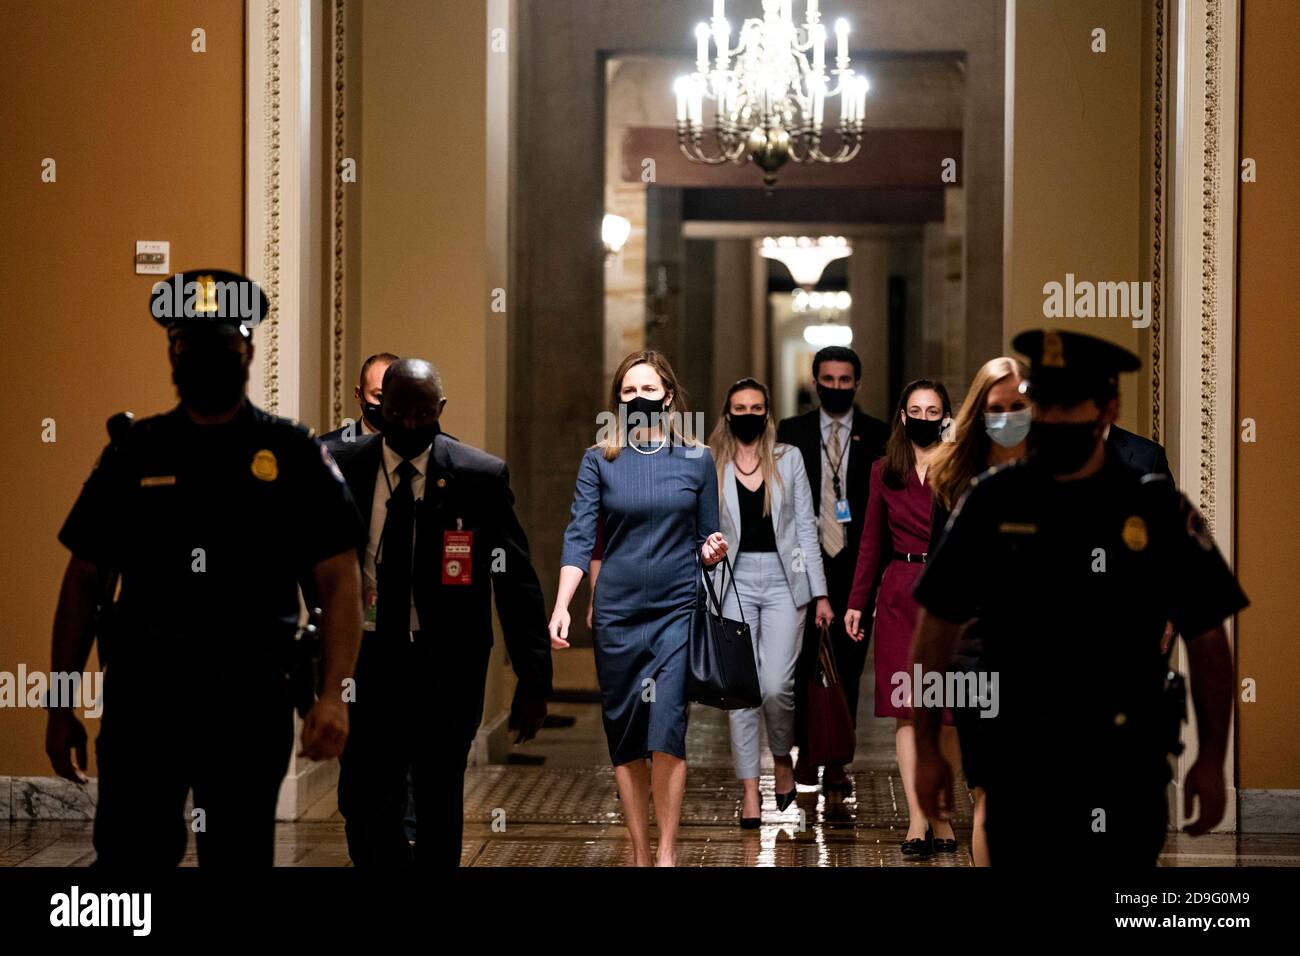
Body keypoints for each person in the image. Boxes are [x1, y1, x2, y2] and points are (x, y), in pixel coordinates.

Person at [46, 269, 364, 867]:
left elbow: (339, 579)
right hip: (145, 699)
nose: (207, 357)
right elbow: (82, 582)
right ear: (172, 351)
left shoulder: (293, 453)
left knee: (239, 857)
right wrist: (60, 704)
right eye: (191, 345)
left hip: (248, 700)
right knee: (130, 866)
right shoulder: (134, 451)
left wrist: (334, 697)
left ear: (246, 349)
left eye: (223, 345)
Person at [911, 330, 1246, 867]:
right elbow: (937, 628)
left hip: (1121, 751)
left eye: (1073, 404)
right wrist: (928, 749)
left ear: (1107, 407)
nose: (1059, 418)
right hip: (1018, 743)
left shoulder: (1155, 508)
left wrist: (1211, 757)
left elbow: (1208, 638)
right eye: (1049, 403)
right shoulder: (992, 501)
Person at [329, 358, 553, 866]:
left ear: (441, 409)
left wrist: (533, 679)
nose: (410, 425)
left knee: (437, 803)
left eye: (423, 413)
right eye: (399, 411)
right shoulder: (343, 466)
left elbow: (515, 581)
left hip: (446, 667)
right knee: (365, 803)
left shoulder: (478, 476)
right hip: (367, 662)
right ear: (377, 407)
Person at [550, 350, 726, 867]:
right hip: (617, 614)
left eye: (649, 390)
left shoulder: (696, 460)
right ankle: (640, 850)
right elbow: (580, 537)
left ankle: (668, 853)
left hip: (677, 609)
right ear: (618, 401)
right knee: (626, 732)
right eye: (628, 392)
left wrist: (712, 552)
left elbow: (707, 538)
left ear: (669, 396)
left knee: (667, 727)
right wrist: (563, 604)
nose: (639, 399)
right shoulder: (598, 460)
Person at [708, 378, 832, 827]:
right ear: (727, 414)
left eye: (755, 407)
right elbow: (702, 528)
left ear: (767, 413)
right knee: (742, 690)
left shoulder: (788, 458)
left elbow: (806, 527)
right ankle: (749, 792)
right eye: (739, 407)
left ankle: (781, 757)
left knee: (777, 686)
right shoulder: (712, 462)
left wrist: (819, 593)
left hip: (785, 582)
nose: (747, 414)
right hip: (732, 583)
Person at [843, 379, 955, 857]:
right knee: (907, 714)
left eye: (934, 410)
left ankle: (944, 816)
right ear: (903, 416)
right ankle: (916, 818)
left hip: (950, 596)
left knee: (947, 714)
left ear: (945, 416)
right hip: (898, 595)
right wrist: (855, 600)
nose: (924, 417)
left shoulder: (962, 467)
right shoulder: (884, 470)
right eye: (916, 409)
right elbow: (870, 542)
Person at [926, 356, 1030, 866]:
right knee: (993, 792)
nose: (1009, 416)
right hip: (980, 657)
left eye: (1019, 406)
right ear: (979, 413)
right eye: (997, 408)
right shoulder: (957, 481)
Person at [777, 346, 890, 794]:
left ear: (857, 384)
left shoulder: (878, 434)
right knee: (804, 659)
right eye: (829, 379)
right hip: (805, 562)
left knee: (847, 660)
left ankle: (839, 760)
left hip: (856, 563)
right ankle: (806, 751)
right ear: (815, 380)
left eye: (845, 380)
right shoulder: (792, 431)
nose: (837, 387)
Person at [320, 352, 400, 445]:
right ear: (359, 394)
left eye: (396, 396)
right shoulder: (327, 447)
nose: (387, 404)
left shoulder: (419, 447)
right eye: (379, 396)